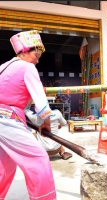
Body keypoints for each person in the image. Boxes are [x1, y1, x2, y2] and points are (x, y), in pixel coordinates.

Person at [0, 30, 56, 199]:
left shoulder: (2, 67)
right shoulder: (27, 67)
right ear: (24, 52)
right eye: (36, 56)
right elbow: (40, 99)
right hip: (7, 119)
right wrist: (46, 121)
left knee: (5, 166)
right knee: (38, 158)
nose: (37, 61)